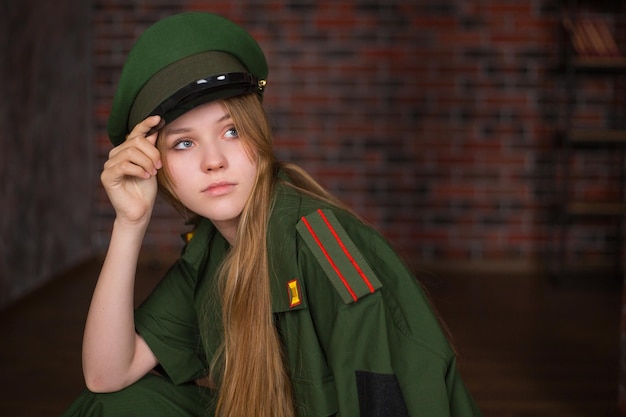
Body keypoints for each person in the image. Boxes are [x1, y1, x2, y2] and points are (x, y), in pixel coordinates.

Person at [61, 11, 482, 417]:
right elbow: (107, 375)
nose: (214, 161)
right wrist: (129, 224)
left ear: (260, 137)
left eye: (232, 131)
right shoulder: (209, 253)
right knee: (111, 408)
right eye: (183, 143)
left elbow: (387, 400)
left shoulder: (322, 246)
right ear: (157, 166)